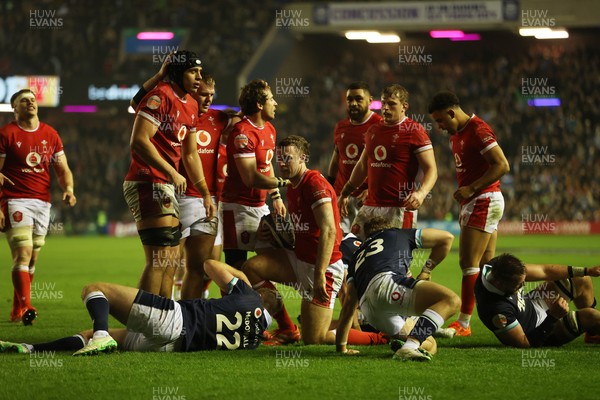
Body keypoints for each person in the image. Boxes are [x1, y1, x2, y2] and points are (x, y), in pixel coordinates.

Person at [244, 136, 387, 347]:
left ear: (303, 158)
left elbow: (328, 230)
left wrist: (320, 274)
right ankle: (286, 328)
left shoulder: (314, 183)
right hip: (300, 260)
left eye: (288, 158)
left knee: (315, 339)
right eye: (280, 158)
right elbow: (304, 228)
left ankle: (380, 337)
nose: (282, 163)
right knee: (252, 268)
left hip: (324, 268)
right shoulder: (293, 185)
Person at [0, 258, 279, 355]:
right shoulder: (254, 338)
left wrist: (242, 278)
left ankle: (100, 337)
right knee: (105, 336)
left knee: (95, 290)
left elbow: (209, 265)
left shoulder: (248, 294)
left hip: (173, 319)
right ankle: (31, 349)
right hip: (174, 347)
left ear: (262, 293)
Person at [123, 50, 215, 298]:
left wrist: (205, 192)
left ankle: (163, 321)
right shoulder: (160, 96)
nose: (198, 77)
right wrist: (171, 172)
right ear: (178, 73)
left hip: (165, 183)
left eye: (199, 71)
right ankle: (144, 324)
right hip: (148, 179)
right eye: (192, 71)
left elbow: (191, 154)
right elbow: (139, 142)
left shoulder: (192, 104)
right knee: (159, 258)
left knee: (169, 260)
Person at [428, 91, 510, 336]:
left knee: (467, 262)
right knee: (487, 265)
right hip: (476, 201)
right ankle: (509, 309)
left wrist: (473, 188)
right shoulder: (458, 135)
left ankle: (463, 323)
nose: (440, 127)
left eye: (441, 120)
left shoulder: (478, 130)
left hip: (484, 200)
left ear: (452, 112)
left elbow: (502, 165)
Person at [0, 89, 77, 325]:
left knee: (32, 260)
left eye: (33, 99)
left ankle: (17, 310)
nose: (30, 102)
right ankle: (27, 306)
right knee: (21, 254)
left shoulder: (50, 134)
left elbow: (63, 169)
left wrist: (69, 189)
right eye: (24, 101)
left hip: (42, 202)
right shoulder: (7, 134)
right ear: (14, 108)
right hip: (15, 200)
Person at [335, 217, 460, 361]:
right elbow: (447, 238)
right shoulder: (397, 233)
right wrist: (426, 270)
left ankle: (407, 345)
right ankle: (408, 347)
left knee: (431, 345)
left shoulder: (357, 257)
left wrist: (341, 347)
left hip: (371, 312)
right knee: (451, 300)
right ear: (391, 227)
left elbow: (348, 305)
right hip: (387, 285)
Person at [339, 84, 437, 240]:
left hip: (399, 208)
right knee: (352, 250)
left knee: (395, 260)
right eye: (383, 103)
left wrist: (421, 193)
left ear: (404, 106)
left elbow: (431, 169)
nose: (385, 108)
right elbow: (363, 165)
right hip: (370, 205)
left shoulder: (414, 131)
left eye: (391, 104)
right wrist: (345, 192)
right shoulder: (373, 130)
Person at [219, 79, 289, 269]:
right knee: (236, 266)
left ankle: (264, 298)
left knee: (272, 262)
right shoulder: (242, 133)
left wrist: (276, 196)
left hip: (260, 206)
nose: (275, 103)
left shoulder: (270, 129)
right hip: (236, 208)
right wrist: (286, 182)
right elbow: (250, 178)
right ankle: (238, 298)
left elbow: (266, 166)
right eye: (271, 99)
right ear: (259, 105)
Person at [475, 253, 600, 347]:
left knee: (581, 278)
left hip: (533, 304)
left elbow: (545, 271)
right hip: (538, 330)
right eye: (518, 285)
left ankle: (593, 333)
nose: (523, 286)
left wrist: (587, 270)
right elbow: (525, 343)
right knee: (591, 316)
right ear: (500, 284)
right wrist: (553, 317)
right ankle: (593, 324)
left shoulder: (496, 266)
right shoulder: (495, 310)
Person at [326, 82, 382, 234]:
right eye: (350, 99)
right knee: (340, 245)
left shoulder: (380, 125)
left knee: (364, 246)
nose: (353, 103)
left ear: (370, 101)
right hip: (341, 197)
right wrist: (329, 187)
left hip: (366, 199)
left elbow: (385, 164)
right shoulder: (341, 126)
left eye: (358, 99)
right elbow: (336, 158)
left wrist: (372, 189)